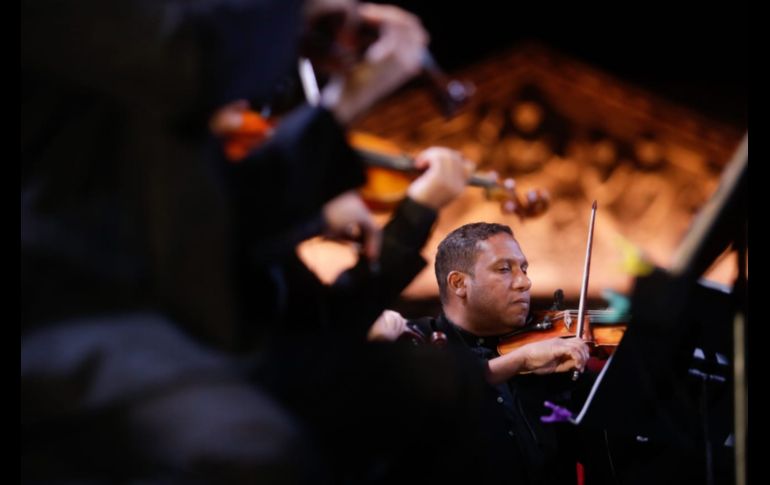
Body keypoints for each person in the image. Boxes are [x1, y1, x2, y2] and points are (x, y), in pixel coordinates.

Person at [21, 0, 460, 482]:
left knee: (435, 383)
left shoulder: (173, 117)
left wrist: (343, 105)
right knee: (247, 450)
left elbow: (243, 235)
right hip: (68, 307)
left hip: (174, 318)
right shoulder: (132, 50)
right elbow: (182, 55)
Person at [369, 222, 591, 484]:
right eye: (504, 269)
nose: (525, 282)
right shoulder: (415, 341)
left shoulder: (552, 356)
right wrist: (520, 359)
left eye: (524, 268)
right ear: (459, 283)